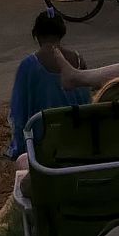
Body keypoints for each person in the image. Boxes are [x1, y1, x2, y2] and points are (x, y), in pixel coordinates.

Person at [9, 9, 93, 156]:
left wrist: (20, 148)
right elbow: (88, 100)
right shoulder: (78, 60)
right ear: (62, 33)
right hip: (78, 138)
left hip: (44, 145)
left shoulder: (28, 65)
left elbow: (18, 110)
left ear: (36, 35)